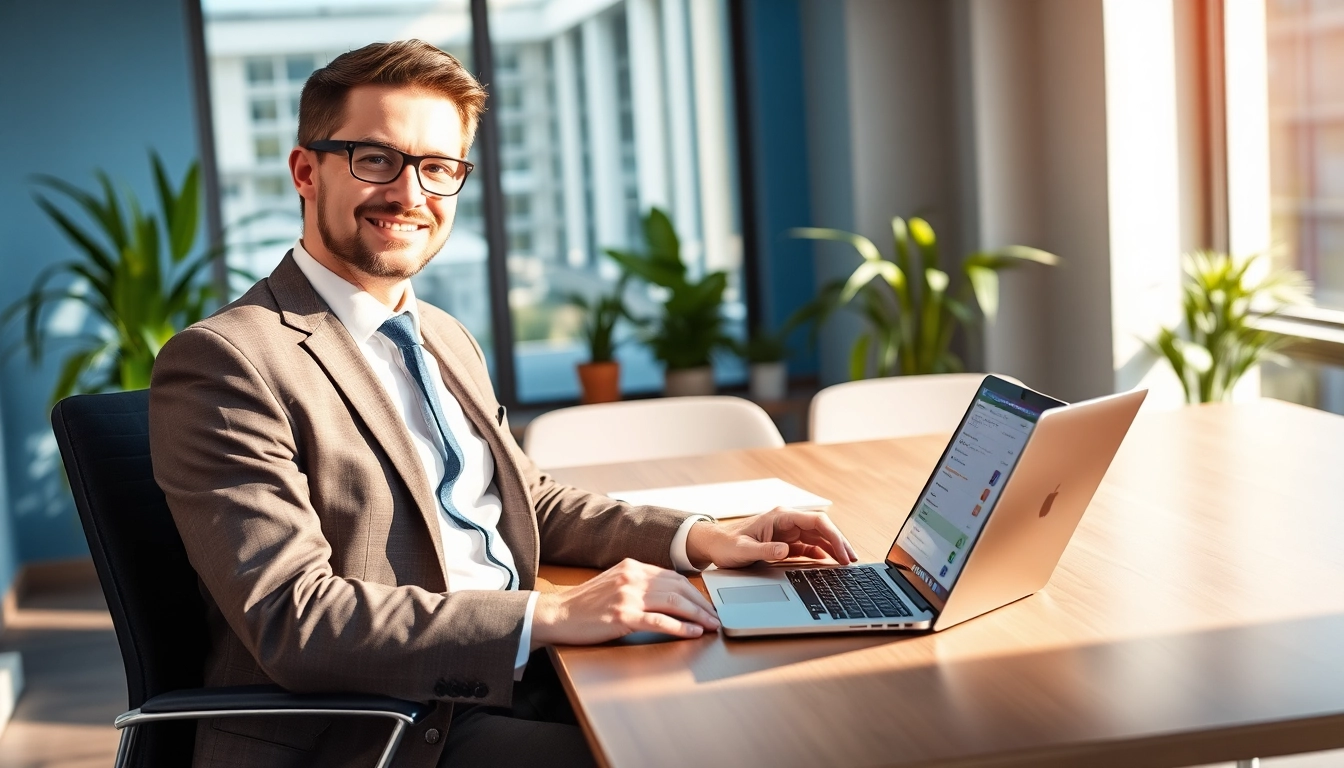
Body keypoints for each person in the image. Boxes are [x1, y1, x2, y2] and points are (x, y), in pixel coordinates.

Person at [149, 39, 855, 768]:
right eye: (376, 159)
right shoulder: (229, 361)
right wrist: (548, 614)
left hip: (522, 672)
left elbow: (529, 500)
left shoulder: (442, 336)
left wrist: (704, 539)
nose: (411, 194)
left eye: (438, 168)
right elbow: (295, 620)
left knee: (792, 700)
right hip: (387, 728)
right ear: (306, 170)